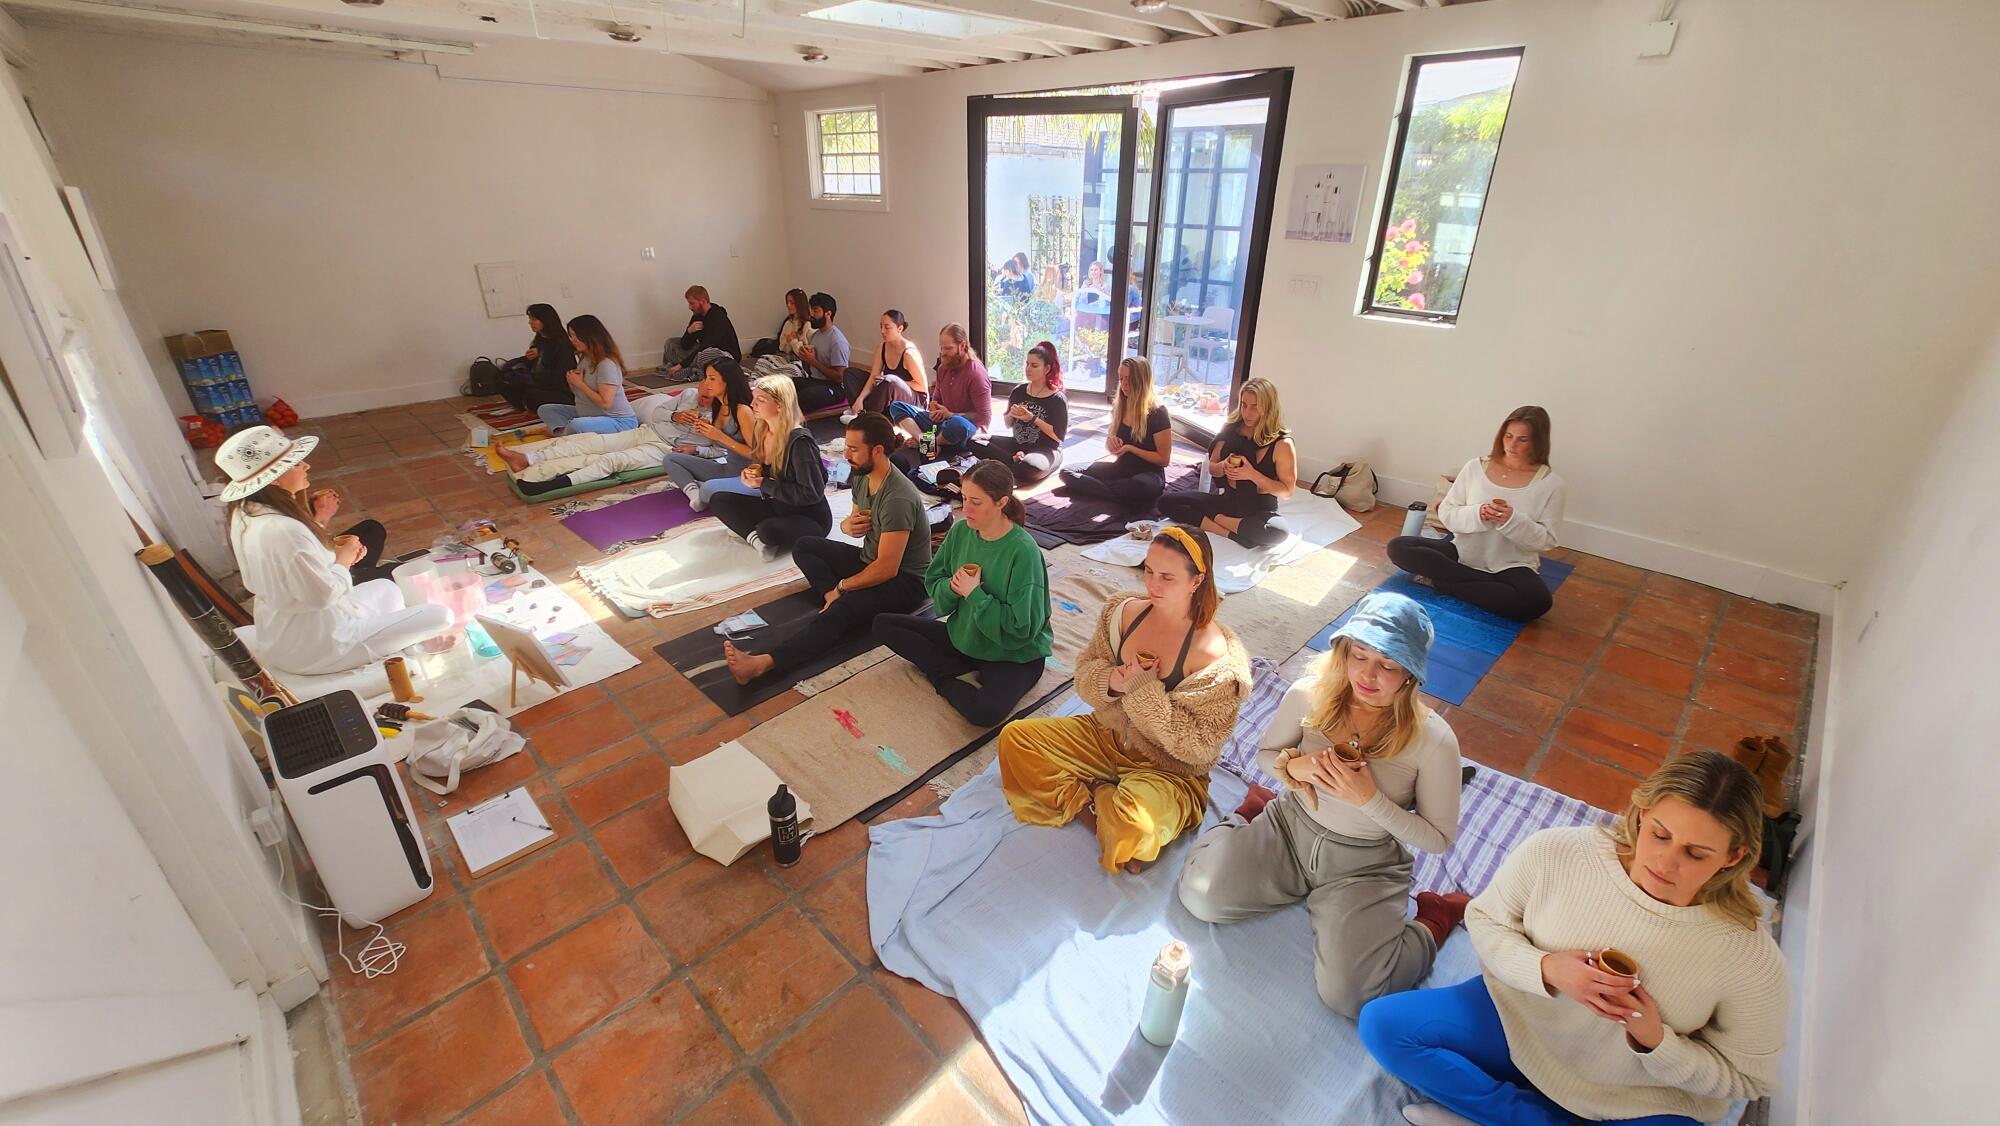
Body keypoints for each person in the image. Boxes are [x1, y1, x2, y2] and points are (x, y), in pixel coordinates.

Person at [1359, 750, 1787, 1126]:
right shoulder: (1558, 852)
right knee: (1384, 1026)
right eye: (1659, 833)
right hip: (1519, 1025)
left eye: (1696, 854)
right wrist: (1545, 968)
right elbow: (1485, 919)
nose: (1665, 862)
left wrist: (1656, 1042)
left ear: (1735, 857)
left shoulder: (1749, 958)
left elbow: (1746, 1078)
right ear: (1641, 812)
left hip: (1635, 1093)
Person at [1178, 592, 1467, 1018]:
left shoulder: (1435, 739)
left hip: (1366, 862)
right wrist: (1295, 767)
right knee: (1201, 897)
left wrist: (1370, 800)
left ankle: (1434, 920)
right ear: (1344, 651)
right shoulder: (1309, 694)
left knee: (1352, 997)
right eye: (1359, 655)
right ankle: (1247, 813)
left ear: (1411, 673)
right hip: (1290, 827)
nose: (1368, 675)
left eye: (1387, 665)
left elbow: (1439, 840)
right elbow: (1264, 755)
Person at [997, 525, 1250, 873]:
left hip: (1167, 768)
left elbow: (1199, 747)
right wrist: (1113, 680)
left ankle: (1106, 802)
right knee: (1016, 738)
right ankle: (1099, 802)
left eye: (1167, 577)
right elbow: (1086, 671)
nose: (1152, 585)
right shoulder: (1123, 612)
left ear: (1197, 581)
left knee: (1136, 827)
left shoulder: (1218, 659)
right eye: (1148, 571)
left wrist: (1144, 690)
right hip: (1106, 736)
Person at [217, 426, 450, 676]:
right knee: (440, 615)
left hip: (288, 631)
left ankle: (397, 643)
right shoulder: (283, 529)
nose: (306, 465)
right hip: (320, 646)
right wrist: (344, 559)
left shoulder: (244, 511)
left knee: (387, 588)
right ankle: (395, 648)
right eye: (296, 463)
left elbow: (300, 569)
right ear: (274, 477)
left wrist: (337, 553)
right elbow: (321, 596)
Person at [724, 412, 931, 684]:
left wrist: (842, 587)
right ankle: (831, 600)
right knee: (805, 546)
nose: (846, 454)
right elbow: (850, 522)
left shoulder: (898, 498)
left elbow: (887, 568)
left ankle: (763, 663)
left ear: (877, 451)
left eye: (854, 449)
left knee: (845, 607)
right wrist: (848, 527)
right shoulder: (861, 474)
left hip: (906, 581)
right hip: (870, 560)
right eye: (846, 446)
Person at [875, 459, 1051, 727]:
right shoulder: (961, 531)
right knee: (883, 624)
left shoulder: (1023, 552)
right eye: (964, 497)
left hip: (1012, 653)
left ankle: (942, 676)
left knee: (984, 713)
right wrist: (952, 587)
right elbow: (934, 580)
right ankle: (953, 666)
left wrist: (975, 594)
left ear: (1001, 502)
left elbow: (1022, 628)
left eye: (976, 502)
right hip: (967, 638)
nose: (965, 508)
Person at [1387, 406, 1566, 622]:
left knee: (1538, 602)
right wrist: (1477, 514)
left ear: (1538, 442)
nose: (1511, 445)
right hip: (1462, 552)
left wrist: (1512, 520)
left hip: (1511, 562)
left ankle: (1442, 582)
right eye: (1508, 436)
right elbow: (1447, 512)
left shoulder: (1552, 484)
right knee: (1398, 548)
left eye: (1522, 439)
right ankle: (1484, 586)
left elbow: (1546, 540)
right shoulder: (1475, 467)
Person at [500, 374, 721, 497]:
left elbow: (721, 451)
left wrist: (695, 449)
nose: (702, 399)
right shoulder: (689, 394)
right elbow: (658, 413)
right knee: (594, 442)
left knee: (614, 460)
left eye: (708, 398)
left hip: (667, 450)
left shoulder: (724, 417)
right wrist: (676, 415)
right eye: (703, 389)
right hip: (648, 431)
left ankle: (551, 485)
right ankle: (528, 459)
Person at [1158, 376, 1295, 547]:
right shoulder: (1232, 429)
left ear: (1268, 408)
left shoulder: (1282, 444)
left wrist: (1252, 475)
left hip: (1258, 510)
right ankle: (1230, 533)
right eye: (1244, 405)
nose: (1247, 413)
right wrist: (1223, 467)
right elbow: (1213, 468)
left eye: (1254, 407)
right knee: (1166, 502)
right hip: (1226, 502)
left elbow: (1287, 491)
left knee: (1278, 533)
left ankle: (1217, 520)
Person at [709, 376, 832, 560]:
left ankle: (759, 535)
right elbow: (763, 471)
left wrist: (763, 483)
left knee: (767, 530)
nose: (752, 404)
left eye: (760, 400)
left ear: (780, 405)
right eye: (754, 398)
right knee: (719, 500)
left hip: (809, 517)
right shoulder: (762, 430)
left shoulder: (800, 443)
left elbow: (811, 493)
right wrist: (752, 473)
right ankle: (758, 542)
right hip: (778, 505)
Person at [1057, 356, 1172, 510]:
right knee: (1068, 471)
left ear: (1141, 381)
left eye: (1129, 379)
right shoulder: (1120, 406)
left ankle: (1108, 490)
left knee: (1140, 486)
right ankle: (1115, 493)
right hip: (1120, 469)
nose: (1124, 384)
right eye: (1121, 378)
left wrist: (1131, 449)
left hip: (1148, 475)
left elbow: (1163, 459)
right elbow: (1113, 446)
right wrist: (1111, 444)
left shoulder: (1158, 412)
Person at [887, 323, 992, 482]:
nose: (943, 353)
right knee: (897, 406)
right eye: (941, 348)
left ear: (962, 346)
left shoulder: (976, 373)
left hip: (965, 428)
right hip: (942, 422)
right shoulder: (943, 367)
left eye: (948, 348)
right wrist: (934, 406)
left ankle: (933, 443)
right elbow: (936, 398)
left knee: (957, 423)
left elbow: (984, 418)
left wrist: (951, 414)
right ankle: (926, 441)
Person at [661, 359, 759, 511]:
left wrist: (719, 435)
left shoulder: (742, 411)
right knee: (670, 459)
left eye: (712, 379)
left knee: (708, 489)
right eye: (706, 377)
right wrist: (706, 430)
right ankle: (695, 495)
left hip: (747, 477)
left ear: (728, 381)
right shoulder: (719, 407)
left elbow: (756, 454)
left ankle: (706, 490)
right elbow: (718, 444)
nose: (706, 383)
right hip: (727, 470)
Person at [965, 340, 1068, 485]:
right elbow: (1008, 425)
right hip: (1016, 445)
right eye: (1026, 364)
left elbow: (1058, 436)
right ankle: (1012, 460)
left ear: (1047, 369)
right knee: (974, 441)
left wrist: (1032, 418)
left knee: (1030, 468)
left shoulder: (1057, 398)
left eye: (1034, 365)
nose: (1028, 369)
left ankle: (1011, 463)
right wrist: (1011, 415)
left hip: (1046, 449)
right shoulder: (1019, 391)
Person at [536, 315, 637, 436]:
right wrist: (572, 382)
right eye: (570, 335)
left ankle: (563, 432)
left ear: (588, 336)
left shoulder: (606, 364)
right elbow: (581, 396)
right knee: (546, 409)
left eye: (574, 335)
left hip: (618, 422)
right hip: (587, 415)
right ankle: (569, 432)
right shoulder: (585, 358)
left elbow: (605, 403)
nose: (572, 340)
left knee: (577, 424)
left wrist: (580, 384)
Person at [844, 309, 927, 413]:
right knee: (850, 373)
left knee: (889, 381)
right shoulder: (881, 347)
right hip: (887, 392)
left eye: (887, 327)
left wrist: (896, 383)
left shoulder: (909, 353)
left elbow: (922, 387)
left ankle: (871, 416)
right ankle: (859, 409)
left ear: (900, 328)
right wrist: (859, 399)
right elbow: (873, 377)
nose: (882, 331)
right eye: (881, 326)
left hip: (914, 401)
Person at [500, 303, 577, 414]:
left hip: (557, 389)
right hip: (538, 382)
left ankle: (530, 404)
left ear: (546, 320)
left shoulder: (561, 343)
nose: (530, 322)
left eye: (534, 319)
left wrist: (533, 380)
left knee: (533, 395)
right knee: (504, 380)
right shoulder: (540, 340)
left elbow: (559, 376)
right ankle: (527, 404)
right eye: (530, 319)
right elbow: (533, 365)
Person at [792, 291, 852, 415]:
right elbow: (808, 370)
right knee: (786, 385)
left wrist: (813, 361)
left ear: (828, 313)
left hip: (834, 387)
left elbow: (840, 377)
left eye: (816, 310)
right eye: (811, 310)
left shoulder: (837, 341)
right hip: (815, 381)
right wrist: (805, 358)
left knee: (804, 397)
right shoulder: (815, 335)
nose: (811, 314)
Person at [661, 284, 741, 375]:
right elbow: (685, 345)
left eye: (692, 303)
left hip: (722, 354)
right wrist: (689, 332)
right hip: (702, 351)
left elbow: (707, 345)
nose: (690, 307)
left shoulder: (718, 317)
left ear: (702, 301)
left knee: (707, 353)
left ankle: (690, 371)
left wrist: (681, 365)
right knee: (671, 343)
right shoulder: (697, 315)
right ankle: (682, 368)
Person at [751, 287, 812, 360]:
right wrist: (792, 343)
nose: (788, 305)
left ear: (800, 303)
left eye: (792, 303)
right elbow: (781, 347)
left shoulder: (808, 324)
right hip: (787, 358)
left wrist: (793, 341)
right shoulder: (788, 323)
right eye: (787, 302)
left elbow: (804, 353)